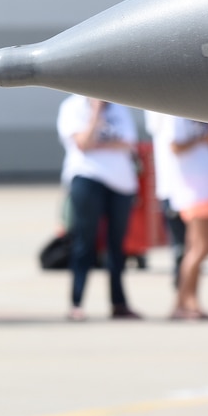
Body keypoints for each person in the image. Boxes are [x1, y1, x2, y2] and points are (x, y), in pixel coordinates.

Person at [56, 95, 141, 321]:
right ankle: (76, 303)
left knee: (117, 246)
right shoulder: (72, 106)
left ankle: (119, 303)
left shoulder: (119, 105)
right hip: (87, 177)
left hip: (121, 182)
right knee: (85, 242)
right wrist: (95, 113)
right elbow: (82, 143)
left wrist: (98, 142)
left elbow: (129, 142)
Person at [143, 111, 208, 320]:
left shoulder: (198, 115)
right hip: (192, 189)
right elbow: (174, 145)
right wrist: (203, 139)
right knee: (202, 247)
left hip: (205, 185)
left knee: (196, 247)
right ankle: (187, 300)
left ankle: (185, 301)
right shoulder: (177, 115)